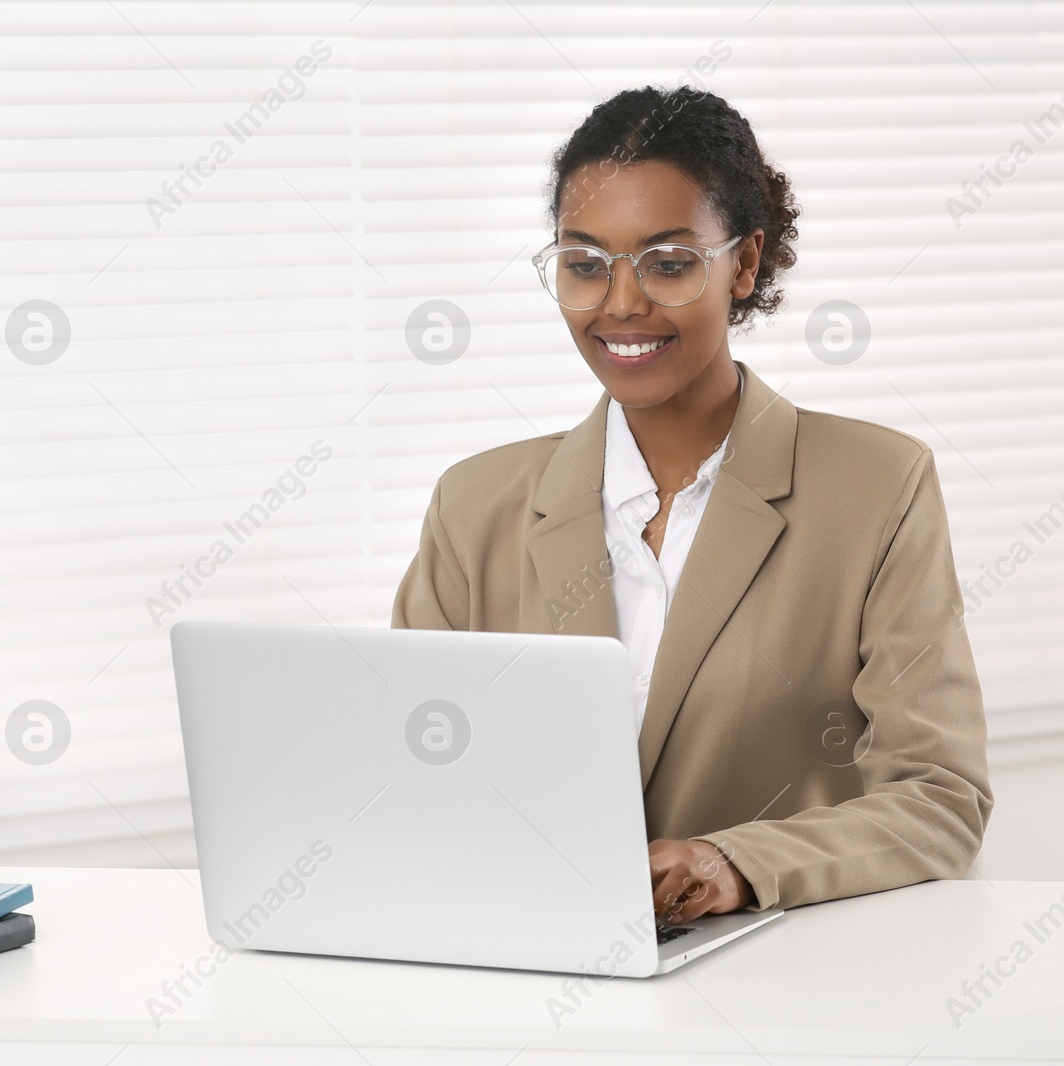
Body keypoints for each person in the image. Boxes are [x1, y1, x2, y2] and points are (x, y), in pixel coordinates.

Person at [392, 85, 992, 926]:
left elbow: (939, 799)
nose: (622, 304)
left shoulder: (876, 488)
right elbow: (411, 770)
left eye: (669, 263)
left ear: (743, 264)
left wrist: (737, 862)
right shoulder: (475, 504)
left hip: (774, 985)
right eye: (584, 263)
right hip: (525, 961)